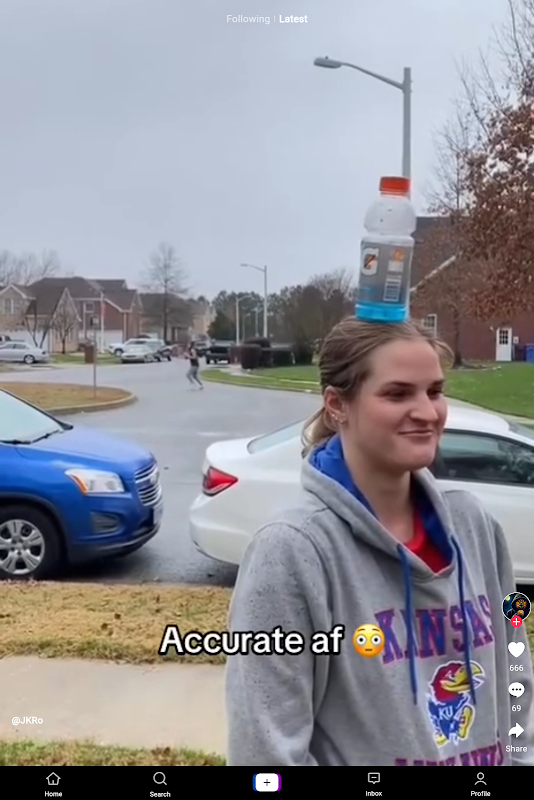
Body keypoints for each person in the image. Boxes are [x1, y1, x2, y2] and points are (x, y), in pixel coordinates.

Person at [225, 317, 534, 766]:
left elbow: (516, 675)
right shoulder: (291, 550)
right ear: (337, 405)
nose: (427, 412)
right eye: (397, 394)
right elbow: (264, 751)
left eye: (434, 391)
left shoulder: (475, 527)